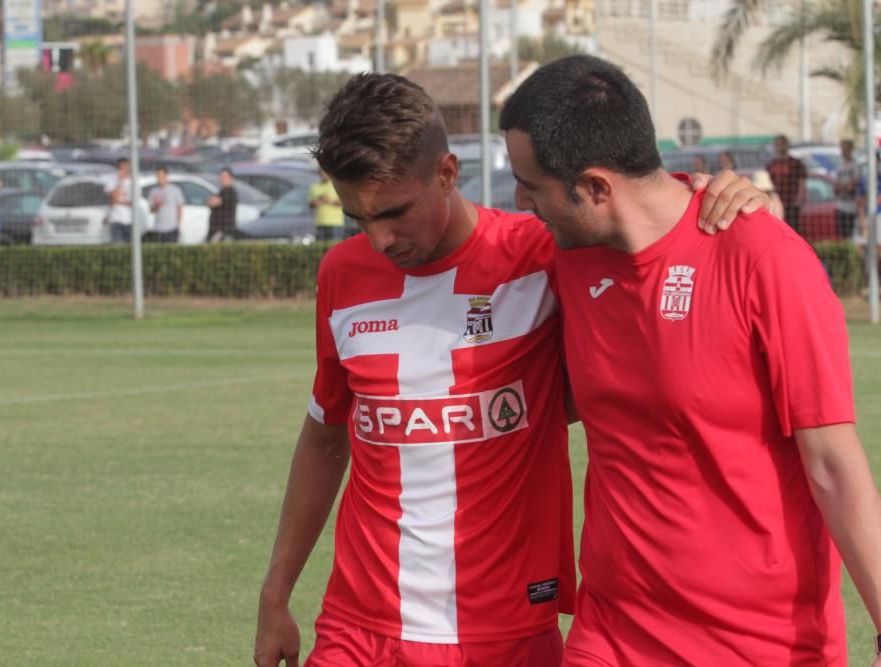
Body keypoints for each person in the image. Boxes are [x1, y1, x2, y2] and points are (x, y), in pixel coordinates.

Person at [253, 72, 768, 667]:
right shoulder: (342, 277)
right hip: (359, 628)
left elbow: (640, 216)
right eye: (357, 219)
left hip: (506, 633)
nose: (379, 239)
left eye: (394, 212)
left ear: (447, 173)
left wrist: (709, 190)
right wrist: (276, 594)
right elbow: (324, 439)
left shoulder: (542, 254)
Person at [501, 54, 881, 666]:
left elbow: (834, 463)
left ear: (598, 187)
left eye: (532, 185)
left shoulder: (762, 258)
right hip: (612, 632)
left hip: (761, 644)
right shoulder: (566, 252)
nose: (519, 200)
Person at [767, 133, 807, 234]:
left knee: (793, 231)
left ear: (786, 145)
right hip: (776, 203)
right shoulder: (771, 165)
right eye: (777, 144)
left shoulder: (796, 164)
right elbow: (768, 185)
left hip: (792, 203)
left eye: (782, 144)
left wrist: (799, 199)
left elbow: (802, 182)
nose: (780, 146)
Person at [145, 166, 185, 243]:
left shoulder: (175, 190)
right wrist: (157, 206)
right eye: (158, 176)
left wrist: (178, 225)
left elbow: (180, 208)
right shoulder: (153, 191)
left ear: (166, 176)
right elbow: (151, 210)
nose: (159, 178)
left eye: (161, 176)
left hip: (172, 228)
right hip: (158, 228)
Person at [858, 151, 881, 246]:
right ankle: (867, 260)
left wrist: (866, 202)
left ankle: (875, 260)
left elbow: (880, 200)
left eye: (876, 161)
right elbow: (859, 201)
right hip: (866, 216)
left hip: (879, 215)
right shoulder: (863, 180)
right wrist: (862, 217)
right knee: (861, 242)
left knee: (879, 243)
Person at [307, 170, 344, 242]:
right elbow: (309, 204)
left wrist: (330, 201)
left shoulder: (336, 185)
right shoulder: (315, 186)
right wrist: (317, 202)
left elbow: (344, 202)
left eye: (325, 173)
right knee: (321, 249)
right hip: (320, 222)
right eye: (322, 173)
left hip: (335, 223)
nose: (323, 175)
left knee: (334, 248)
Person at [835, 139, 860, 240]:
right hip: (841, 205)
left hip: (851, 206)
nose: (843, 151)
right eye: (842, 149)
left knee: (851, 234)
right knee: (842, 234)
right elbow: (836, 186)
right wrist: (845, 186)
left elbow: (853, 185)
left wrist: (843, 186)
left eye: (845, 149)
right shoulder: (839, 166)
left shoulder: (855, 165)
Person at [105, 158, 134, 243]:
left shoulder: (133, 180)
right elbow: (113, 197)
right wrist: (120, 182)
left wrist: (117, 201)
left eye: (125, 167)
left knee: (130, 245)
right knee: (117, 243)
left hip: (130, 218)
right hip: (116, 218)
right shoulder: (112, 179)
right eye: (121, 167)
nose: (123, 169)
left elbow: (132, 202)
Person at [207, 167, 238, 241]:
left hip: (224, 231)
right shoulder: (222, 191)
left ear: (231, 178)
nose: (221, 179)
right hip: (216, 230)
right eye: (221, 177)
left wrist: (213, 200)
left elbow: (213, 202)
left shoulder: (230, 192)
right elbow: (209, 202)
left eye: (224, 177)